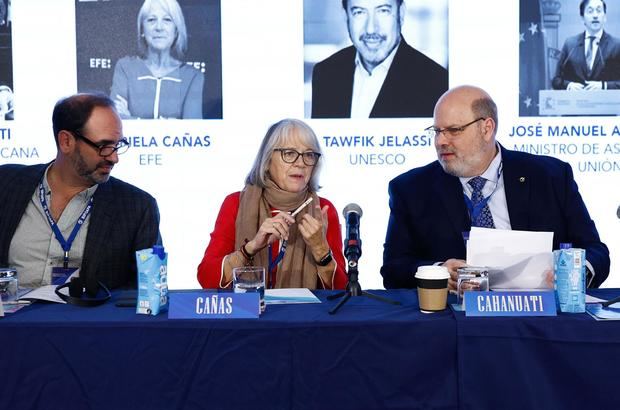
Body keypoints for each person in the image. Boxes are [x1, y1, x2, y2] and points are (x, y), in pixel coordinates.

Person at [381, 85, 610, 290]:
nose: (441, 141)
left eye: (454, 130)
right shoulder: (411, 189)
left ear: (487, 128)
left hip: (542, 317)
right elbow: (393, 269)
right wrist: (438, 271)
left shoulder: (550, 177)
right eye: (437, 131)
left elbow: (595, 251)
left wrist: (574, 275)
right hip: (454, 324)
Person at [0, 93, 161, 295]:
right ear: (66, 141)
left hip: (87, 325)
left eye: (118, 145)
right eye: (104, 146)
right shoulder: (6, 184)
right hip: (10, 324)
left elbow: (147, 296)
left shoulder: (137, 207)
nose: (114, 157)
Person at [197, 119, 348, 290]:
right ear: (268, 160)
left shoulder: (322, 210)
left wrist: (320, 249)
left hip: (304, 316)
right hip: (247, 315)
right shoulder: (235, 204)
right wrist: (250, 248)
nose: (300, 163)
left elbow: (342, 292)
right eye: (289, 153)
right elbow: (206, 278)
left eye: (309, 155)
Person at [311, 0, 448, 118]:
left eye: (383, 11)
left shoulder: (436, 81)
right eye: (359, 12)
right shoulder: (325, 73)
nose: (371, 29)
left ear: (401, 14)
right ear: (346, 16)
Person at [110, 0, 204, 119]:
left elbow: (193, 131)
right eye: (151, 20)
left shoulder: (192, 76)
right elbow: (116, 120)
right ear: (142, 29)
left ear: (176, 30)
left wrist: (133, 119)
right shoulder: (125, 68)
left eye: (167, 20)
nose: (159, 27)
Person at [552, 0, 620, 90]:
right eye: (590, 11)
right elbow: (556, 80)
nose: (595, 15)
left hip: (605, 102)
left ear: (605, 17)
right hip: (576, 101)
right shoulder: (570, 44)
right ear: (582, 17)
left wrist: (604, 86)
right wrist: (568, 85)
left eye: (599, 11)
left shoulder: (616, 45)